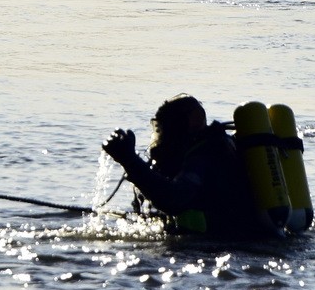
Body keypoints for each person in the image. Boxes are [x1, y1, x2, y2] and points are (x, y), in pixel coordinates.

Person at [102, 94, 268, 239]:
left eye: (163, 130)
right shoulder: (223, 144)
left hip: (221, 244)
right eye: (158, 130)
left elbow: (174, 198)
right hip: (243, 239)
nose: (160, 138)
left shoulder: (203, 154)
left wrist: (130, 160)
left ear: (180, 128)